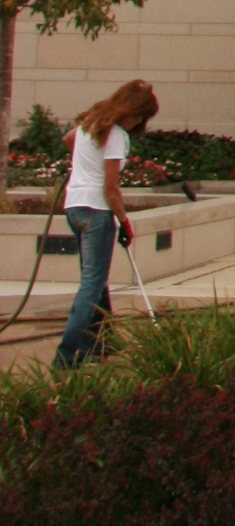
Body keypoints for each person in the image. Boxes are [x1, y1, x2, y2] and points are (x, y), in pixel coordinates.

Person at [52, 79, 158, 370]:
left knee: (96, 282)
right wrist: (124, 221)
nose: (141, 121)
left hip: (74, 206)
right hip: (97, 211)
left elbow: (67, 140)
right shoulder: (117, 136)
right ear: (133, 110)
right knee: (92, 283)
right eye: (141, 115)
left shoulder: (91, 122)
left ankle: (99, 344)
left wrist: (84, 162)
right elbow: (111, 188)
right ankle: (65, 355)